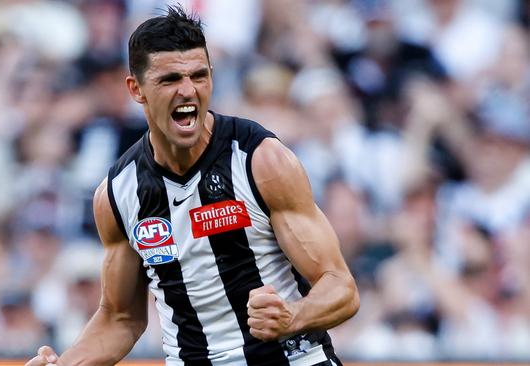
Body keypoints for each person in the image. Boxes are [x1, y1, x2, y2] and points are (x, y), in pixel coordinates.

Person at [25, 6, 359, 366]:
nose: (188, 91)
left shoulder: (259, 160)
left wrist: (293, 316)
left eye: (199, 76)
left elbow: (341, 287)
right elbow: (121, 319)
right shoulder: (118, 193)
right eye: (170, 80)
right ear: (136, 89)